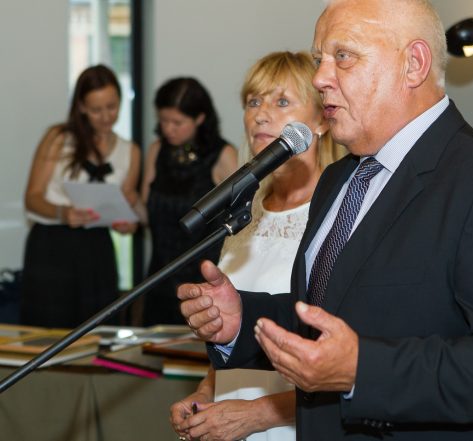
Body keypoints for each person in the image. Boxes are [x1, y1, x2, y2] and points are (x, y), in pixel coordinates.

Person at [178, 0, 473, 440]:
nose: (320, 78)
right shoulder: (340, 179)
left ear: (413, 64)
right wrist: (243, 320)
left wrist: (362, 371)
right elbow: (333, 314)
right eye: (319, 60)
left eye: (343, 56)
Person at [170, 51, 344, 441]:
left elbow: (342, 364)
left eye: (281, 101)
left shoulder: (339, 212)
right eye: (253, 102)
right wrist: (205, 394)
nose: (261, 115)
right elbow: (232, 332)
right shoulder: (244, 213)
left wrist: (256, 415)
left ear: (321, 120)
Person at [21, 64, 141, 328]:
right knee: (48, 330)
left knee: (96, 330)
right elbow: (32, 197)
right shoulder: (58, 138)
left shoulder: (129, 151)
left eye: (112, 107)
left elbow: (128, 206)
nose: (106, 116)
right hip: (51, 244)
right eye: (96, 110)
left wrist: (127, 224)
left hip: (97, 248)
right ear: (82, 107)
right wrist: (63, 213)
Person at [141, 77, 238, 326]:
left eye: (177, 122)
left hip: (202, 281)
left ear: (200, 118)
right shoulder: (157, 150)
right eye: (163, 120)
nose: (168, 129)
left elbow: (243, 217)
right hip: (159, 276)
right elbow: (145, 209)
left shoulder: (223, 155)